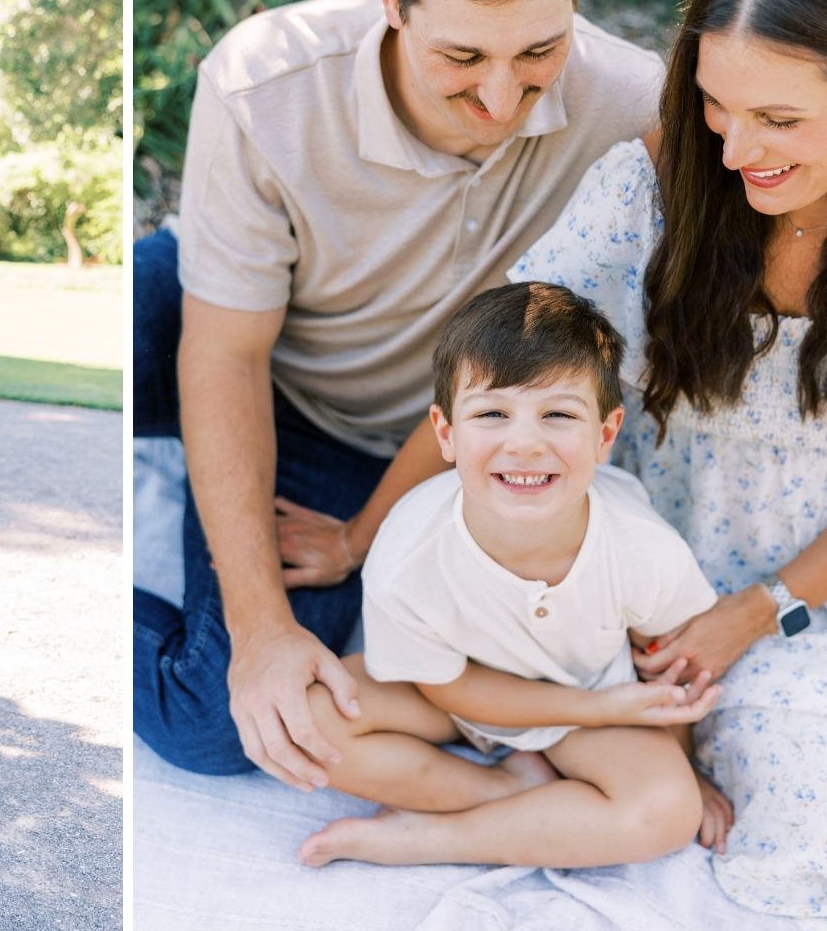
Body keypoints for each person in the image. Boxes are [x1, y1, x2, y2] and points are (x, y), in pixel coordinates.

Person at [133, 0, 663, 788]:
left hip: (392, 443)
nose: (501, 100)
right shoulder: (264, 83)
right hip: (246, 347)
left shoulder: (633, 110)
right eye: (460, 59)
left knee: (218, 725)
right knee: (142, 290)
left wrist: (355, 543)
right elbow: (222, 354)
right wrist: (256, 628)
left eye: (536, 53)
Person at [512, 0, 827, 931]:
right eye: (713, 102)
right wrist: (370, 529)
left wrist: (760, 611)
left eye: (779, 120)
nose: (736, 146)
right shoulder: (656, 189)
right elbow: (505, 364)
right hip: (692, 588)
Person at [295, 283, 726, 869]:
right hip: (455, 699)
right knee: (308, 716)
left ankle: (429, 839)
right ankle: (504, 790)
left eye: (558, 415)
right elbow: (444, 687)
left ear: (605, 434)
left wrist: (685, 765)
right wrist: (599, 710)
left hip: (590, 692)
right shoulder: (408, 552)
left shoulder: (642, 548)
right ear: (446, 433)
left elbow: (670, 660)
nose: (524, 443)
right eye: (493, 413)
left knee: (667, 809)